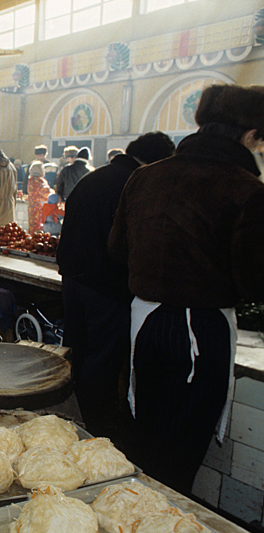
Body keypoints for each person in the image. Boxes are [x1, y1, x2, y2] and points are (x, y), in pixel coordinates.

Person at [108, 84, 264, 495]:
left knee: (145, 436)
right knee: (180, 452)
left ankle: (135, 525)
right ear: (249, 136)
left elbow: (117, 249)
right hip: (202, 330)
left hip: (144, 324)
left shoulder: (145, 176)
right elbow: (254, 281)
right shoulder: (247, 189)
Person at [56, 132, 175, 441]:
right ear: (157, 160)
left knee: (75, 350)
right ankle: (91, 425)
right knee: (103, 357)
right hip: (105, 285)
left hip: (73, 279)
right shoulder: (135, 183)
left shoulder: (96, 177)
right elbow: (128, 243)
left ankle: (67, 416)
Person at [25, 161, 52, 234]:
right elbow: (46, 192)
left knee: (32, 226)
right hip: (39, 208)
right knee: (39, 228)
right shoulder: (39, 181)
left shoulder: (30, 180)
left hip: (31, 207)